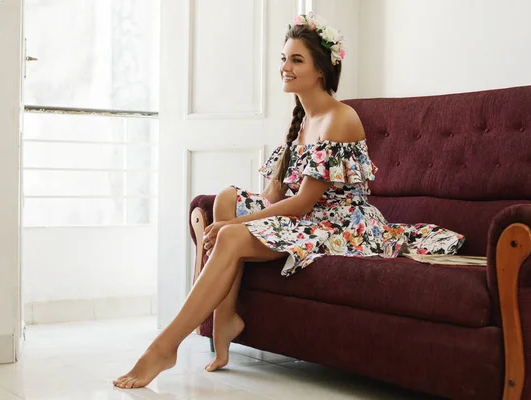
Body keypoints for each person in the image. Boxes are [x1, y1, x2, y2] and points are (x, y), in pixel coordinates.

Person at [113, 11, 464, 389]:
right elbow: (273, 197)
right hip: (311, 216)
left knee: (230, 235)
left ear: (321, 71)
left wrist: (234, 226)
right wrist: (235, 212)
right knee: (228, 198)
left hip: (342, 224)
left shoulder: (340, 119)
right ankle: (225, 319)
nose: (285, 67)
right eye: (283, 58)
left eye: (296, 60)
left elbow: (302, 205)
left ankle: (164, 347)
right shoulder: (302, 120)